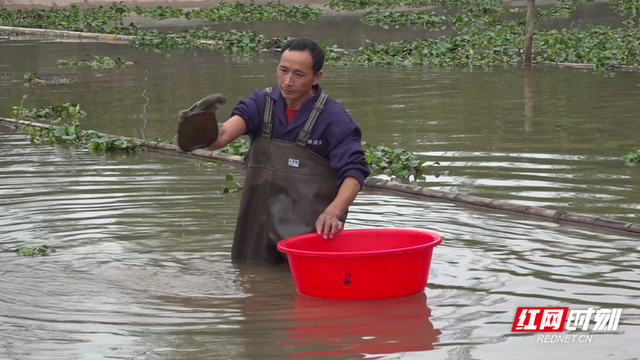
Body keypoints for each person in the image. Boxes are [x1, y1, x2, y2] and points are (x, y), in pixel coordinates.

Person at [207, 38, 371, 265]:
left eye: (299, 74)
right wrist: (199, 128)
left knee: (305, 290)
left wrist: (332, 212)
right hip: (256, 232)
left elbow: (355, 173)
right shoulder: (260, 103)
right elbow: (220, 138)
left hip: (310, 236)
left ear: (317, 77)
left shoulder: (335, 120)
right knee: (251, 283)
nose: (287, 81)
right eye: (283, 70)